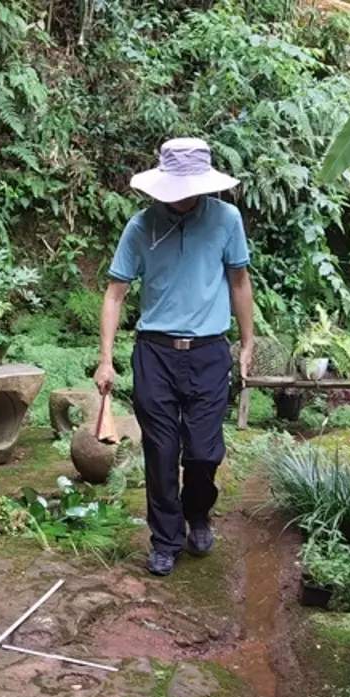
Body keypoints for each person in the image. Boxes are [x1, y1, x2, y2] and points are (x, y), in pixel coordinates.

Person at [93, 137, 256, 577]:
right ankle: (166, 539)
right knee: (162, 452)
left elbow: (239, 282)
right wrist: (106, 358)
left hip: (208, 352)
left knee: (204, 453)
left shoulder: (226, 219)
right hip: (155, 355)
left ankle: (198, 512)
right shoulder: (141, 226)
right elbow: (115, 295)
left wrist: (247, 342)